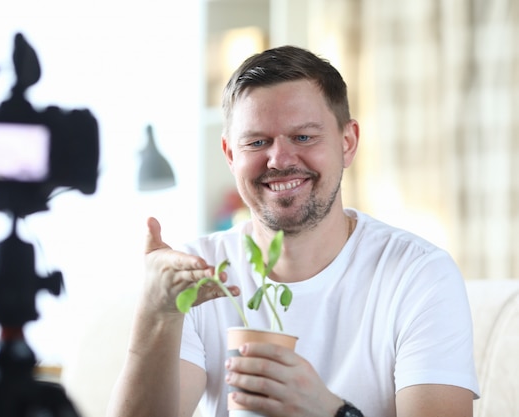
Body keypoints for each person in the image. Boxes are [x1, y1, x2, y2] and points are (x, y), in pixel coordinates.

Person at [106, 45, 480, 417]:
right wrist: (156, 312)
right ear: (230, 155)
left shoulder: (418, 275)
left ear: (347, 143)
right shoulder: (198, 274)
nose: (280, 159)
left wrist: (329, 411)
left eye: (303, 137)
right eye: (257, 142)